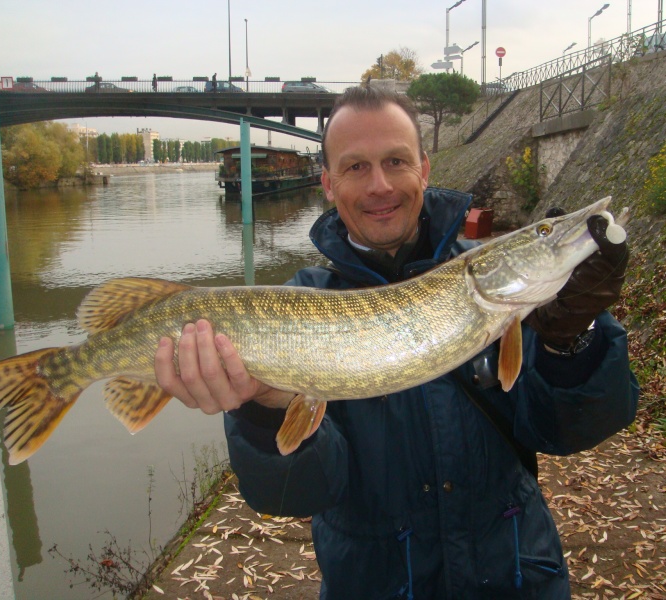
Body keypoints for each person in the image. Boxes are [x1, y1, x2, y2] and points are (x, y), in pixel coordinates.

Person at [154, 86, 639, 599]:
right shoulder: (301, 300)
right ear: (327, 183)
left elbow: (574, 427)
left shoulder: (513, 306)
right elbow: (294, 494)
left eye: (395, 161)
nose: (380, 185)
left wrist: (572, 337)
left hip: (515, 577)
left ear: (424, 170)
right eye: (356, 167)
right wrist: (266, 407)